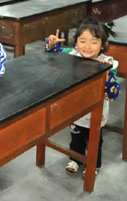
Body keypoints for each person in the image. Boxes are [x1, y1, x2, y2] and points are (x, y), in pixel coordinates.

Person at [45, 17, 120, 177]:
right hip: (75, 109)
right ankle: (75, 159)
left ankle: (94, 165)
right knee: (76, 137)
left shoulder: (107, 63)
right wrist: (52, 44)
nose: (87, 46)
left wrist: (107, 77)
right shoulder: (72, 54)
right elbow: (53, 54)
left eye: (94, 42)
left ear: (103, 45)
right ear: (76, 42)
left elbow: (114, 94)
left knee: (95, 141)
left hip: (96, 114)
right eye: (82, 41)